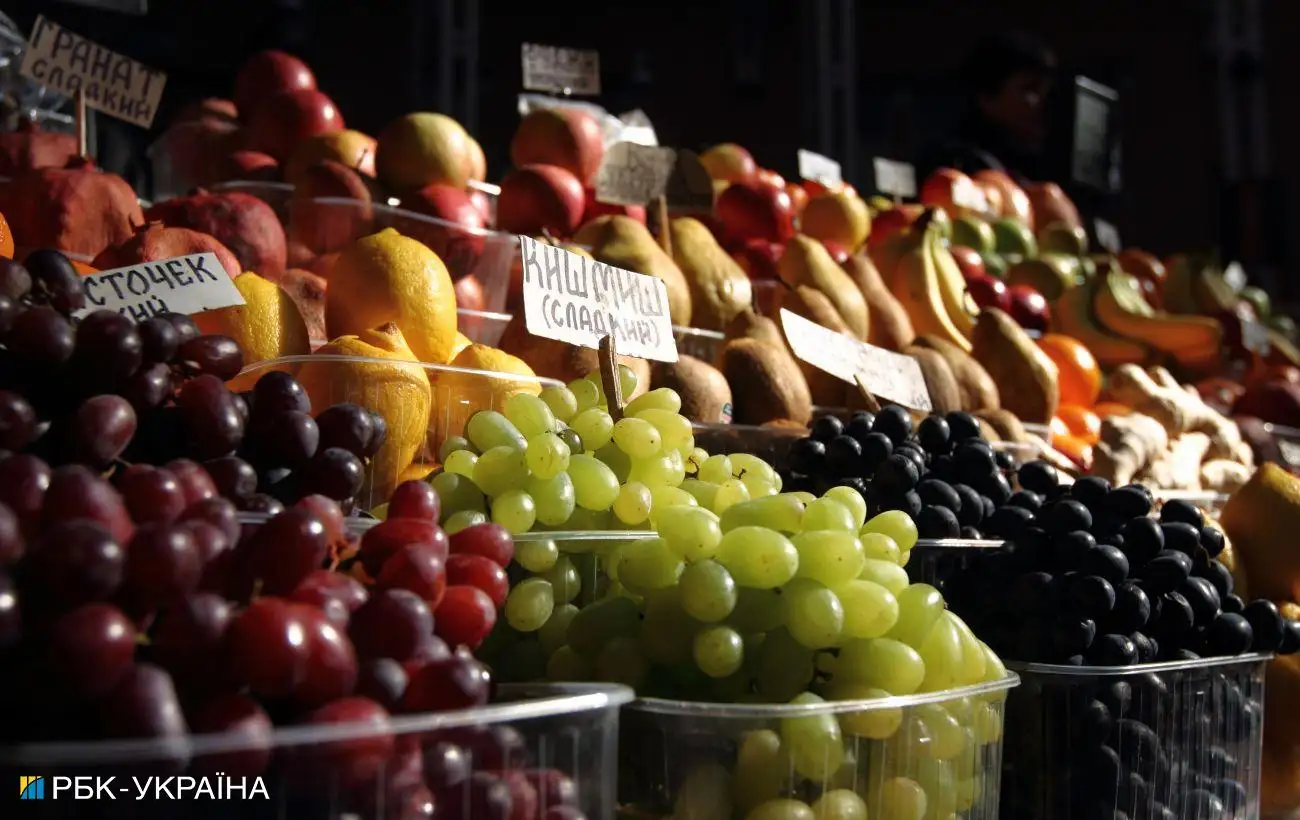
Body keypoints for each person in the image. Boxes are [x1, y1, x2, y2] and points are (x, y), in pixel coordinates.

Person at [918, 31, 1056, 186]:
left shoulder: (1026, 163)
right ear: (986, 96)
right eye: (1029, 89)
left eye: (1046, 93)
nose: (1041, 103)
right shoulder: (957, 162)